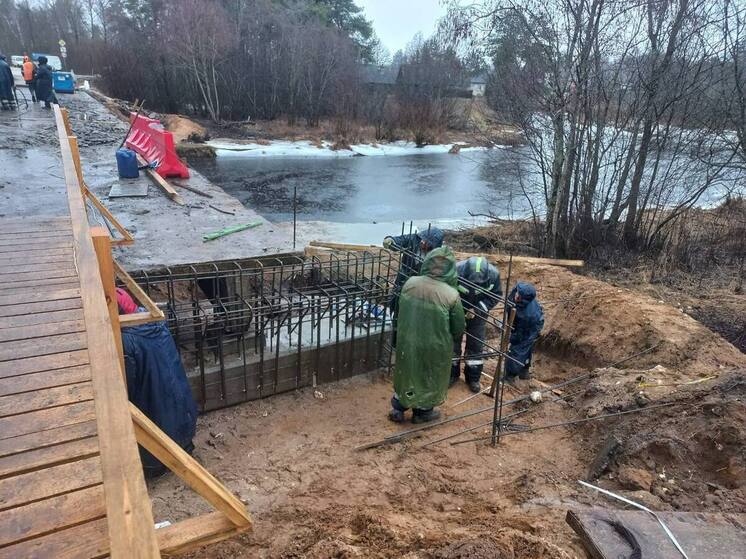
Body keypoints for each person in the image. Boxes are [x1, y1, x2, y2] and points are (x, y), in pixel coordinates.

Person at [117, 288, 198, 477]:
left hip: (158, 435)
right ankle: (183, 446)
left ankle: (156, 465)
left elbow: (125, 387)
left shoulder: (126, 341)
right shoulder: (155, 322)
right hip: (184, 419)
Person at [389, 246, 465, 424]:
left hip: (408, 339)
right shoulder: (451, 295)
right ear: (450, 270)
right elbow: (458, 327)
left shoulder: (410, 283)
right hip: (434, 346)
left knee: (407, 371)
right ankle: (422, 413)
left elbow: (398, 310)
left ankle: (398, 408)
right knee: (429, 376)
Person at [382, 226, 444, 346]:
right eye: (422, 239)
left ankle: (410, 342)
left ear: (433, 245)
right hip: (403, 280)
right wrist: (390, 241)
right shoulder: (413, 239)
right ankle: (394, 342)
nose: (422, 242)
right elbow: (399, 241)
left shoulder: (437, 255)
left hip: (420, 287)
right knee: (397, 308)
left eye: (426, 242)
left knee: (414, 315)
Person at [451, 256, 502, 393]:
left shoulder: (494, 275)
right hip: (457, 310)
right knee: (452, 342)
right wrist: (458, 310)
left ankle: (473, 378)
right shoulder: (456, 270)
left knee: (476, 344)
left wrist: (477, 310)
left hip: (478, 314)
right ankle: (451, 374)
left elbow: (496, 295)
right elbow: (448, 291)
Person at [505, 282, 544, 383]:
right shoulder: (517, 291)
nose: (516, 295)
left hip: (531, 328)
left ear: (524, 299)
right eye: (517, 293)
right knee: (525, 346)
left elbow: (519, 336)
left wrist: (512, 338)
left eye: (518, 296)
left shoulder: (528, 315)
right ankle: (524, 370)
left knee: (518, 348)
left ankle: (510, 376)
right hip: (519, 321)